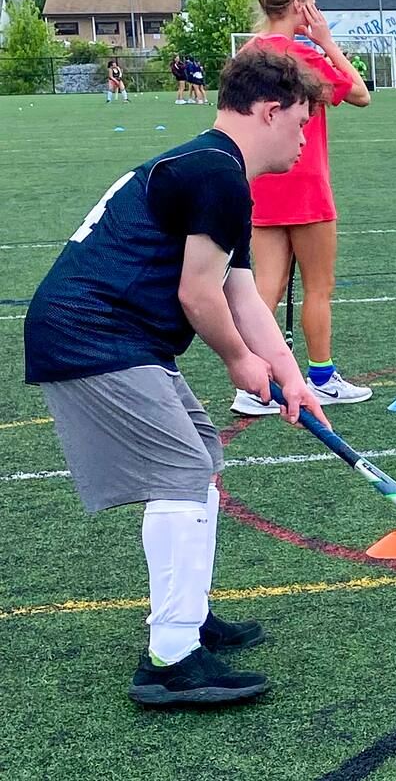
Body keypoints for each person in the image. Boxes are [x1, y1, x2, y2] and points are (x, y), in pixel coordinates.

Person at [23, 48, 330, 706]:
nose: (305, 139)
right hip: (92, 333)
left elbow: (242, 292)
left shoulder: (221, 173)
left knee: (198, 454)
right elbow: (199, 296)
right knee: (180, 473)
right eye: (301, 123)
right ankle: (169, 658)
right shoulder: (217, 173)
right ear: (270, 110)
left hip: (120, 335)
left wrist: (290, 376)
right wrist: (241, 364)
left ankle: (186, 616)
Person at [230, 0, 373, 417]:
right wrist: (327, 41)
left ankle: (252, 383)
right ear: (300, 7)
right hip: (306, 182)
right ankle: (323, 376)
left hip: (259, 183)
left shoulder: (246, 55)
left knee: (263, 289)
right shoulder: (307, 54)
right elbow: (359, 94)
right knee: (318, 286)